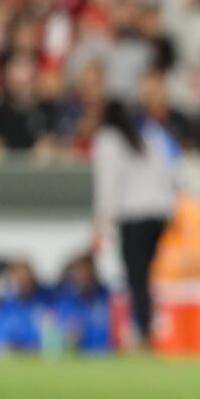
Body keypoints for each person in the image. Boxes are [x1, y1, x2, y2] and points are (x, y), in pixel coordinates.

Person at [92, 100, 180, 347]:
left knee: (136, 277)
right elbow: (169, 174)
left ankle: (143, 330)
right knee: (147, 276)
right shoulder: (150, 136)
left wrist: (102, 224)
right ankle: (147, 325)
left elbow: (108, 186)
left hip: (134, 216)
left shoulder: (108, 139)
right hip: (159, 213)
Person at [0, 260, 51, 353]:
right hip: (9, 356)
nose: (22, 281)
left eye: (25, 278)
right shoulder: (5, 306)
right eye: (18, 278)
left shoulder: (46, 302)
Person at [53, 253, 112, 354]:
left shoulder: (109, 298)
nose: (84, 276)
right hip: (80, 356)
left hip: (108, 355)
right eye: (80, 271)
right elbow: (58, 331)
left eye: (87, 271)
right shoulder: (67, 302)